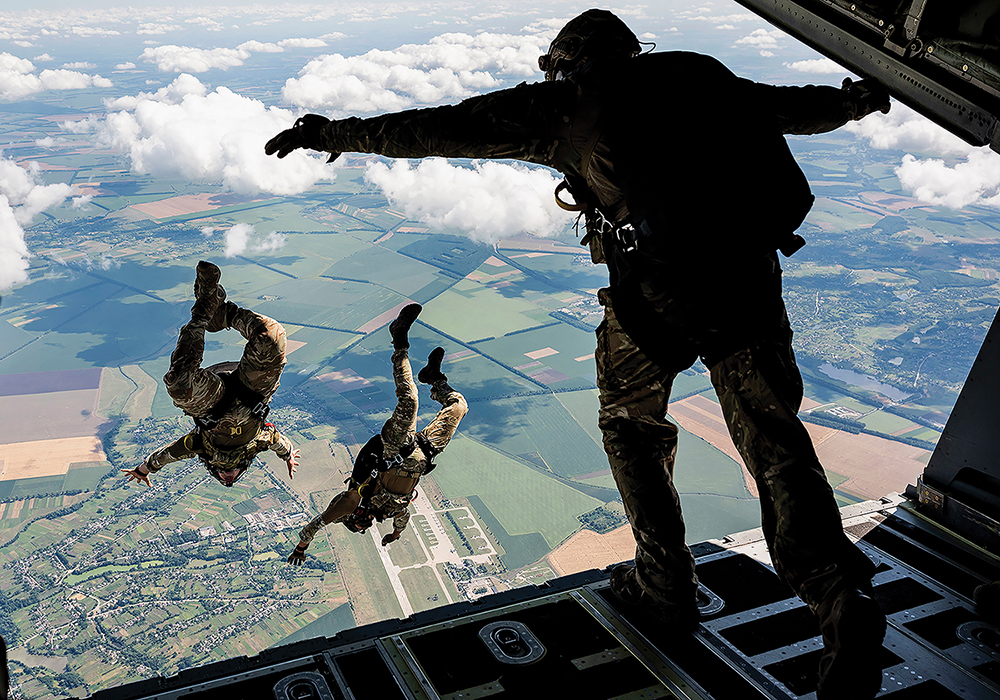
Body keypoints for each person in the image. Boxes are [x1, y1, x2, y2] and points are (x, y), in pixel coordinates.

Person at [265, 10, 890, 697]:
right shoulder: (700, 75)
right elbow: (794, 109)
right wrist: (855, 101)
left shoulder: (566, 105)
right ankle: (840, 596)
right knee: (777, 445)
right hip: (747, 287)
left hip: (654, 302)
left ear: (568, 62)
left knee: (630, 426)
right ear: (631, 51)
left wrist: (330, 133)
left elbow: (437, 127)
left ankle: (664, 584)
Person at [287, 303, 467, 563]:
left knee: (410, 401)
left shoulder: (355, 499)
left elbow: (318, 523)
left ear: (351, 517)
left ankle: (399, 341)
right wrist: (394, 535)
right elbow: (403, 519)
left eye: (356, 523)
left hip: (397, 448)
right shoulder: (392, 512)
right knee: (458, 406)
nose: (363, 523)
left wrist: (301, 547)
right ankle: (434, 378)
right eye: (364, 527)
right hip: (426, 451)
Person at [123, 261, 300, 488]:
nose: (228, 476)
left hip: (211, 402)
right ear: (244, 468)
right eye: (232, 476)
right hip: (252, 392)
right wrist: (288, 455)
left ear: (212, 469)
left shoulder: (199, 446)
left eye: (223, 475)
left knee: (179, 385)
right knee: (272, 338)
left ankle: (205, 310)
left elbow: (167, 454)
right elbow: (281, 444)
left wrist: (143, 469)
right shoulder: (261, 441)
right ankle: (226, 314)